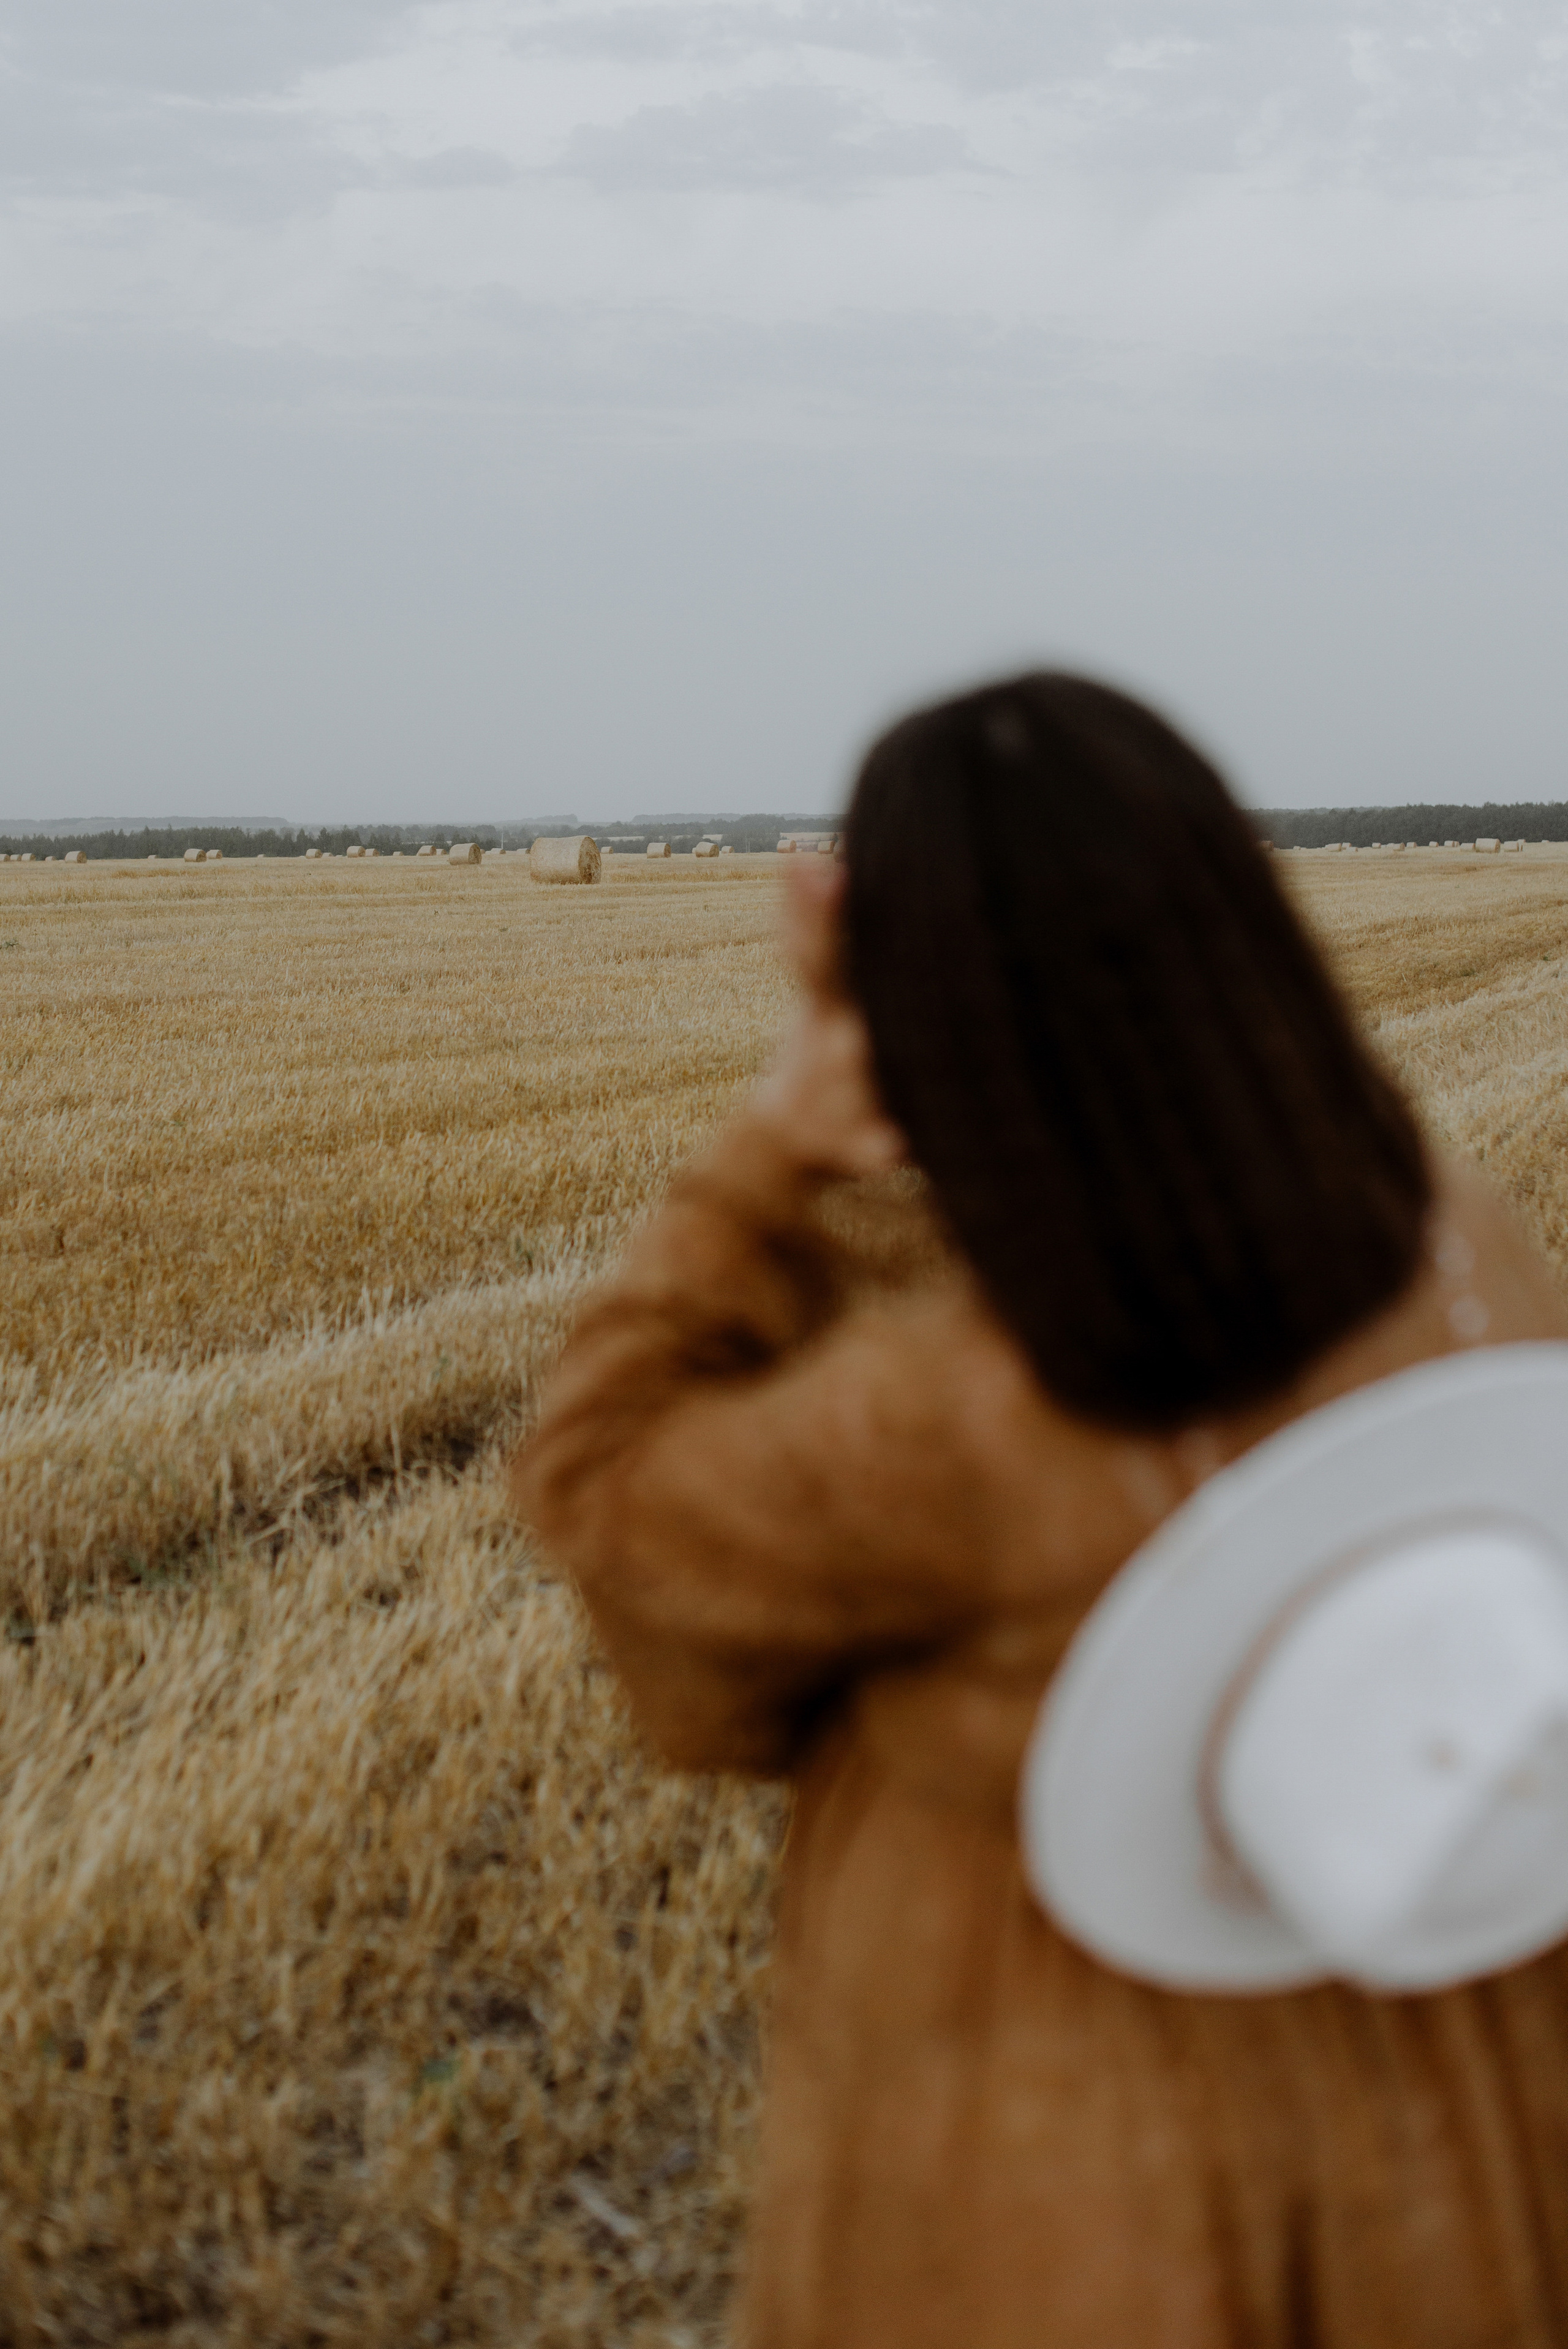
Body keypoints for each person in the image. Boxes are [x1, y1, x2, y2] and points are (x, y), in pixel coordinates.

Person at [510, 673, 1568, 2347]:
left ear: (929, 1011)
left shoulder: (961, 1420)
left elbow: (605, 1498)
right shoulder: (1464, 1247)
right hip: (1457, 2115)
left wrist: (775, 1145)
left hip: (1084, 2176)